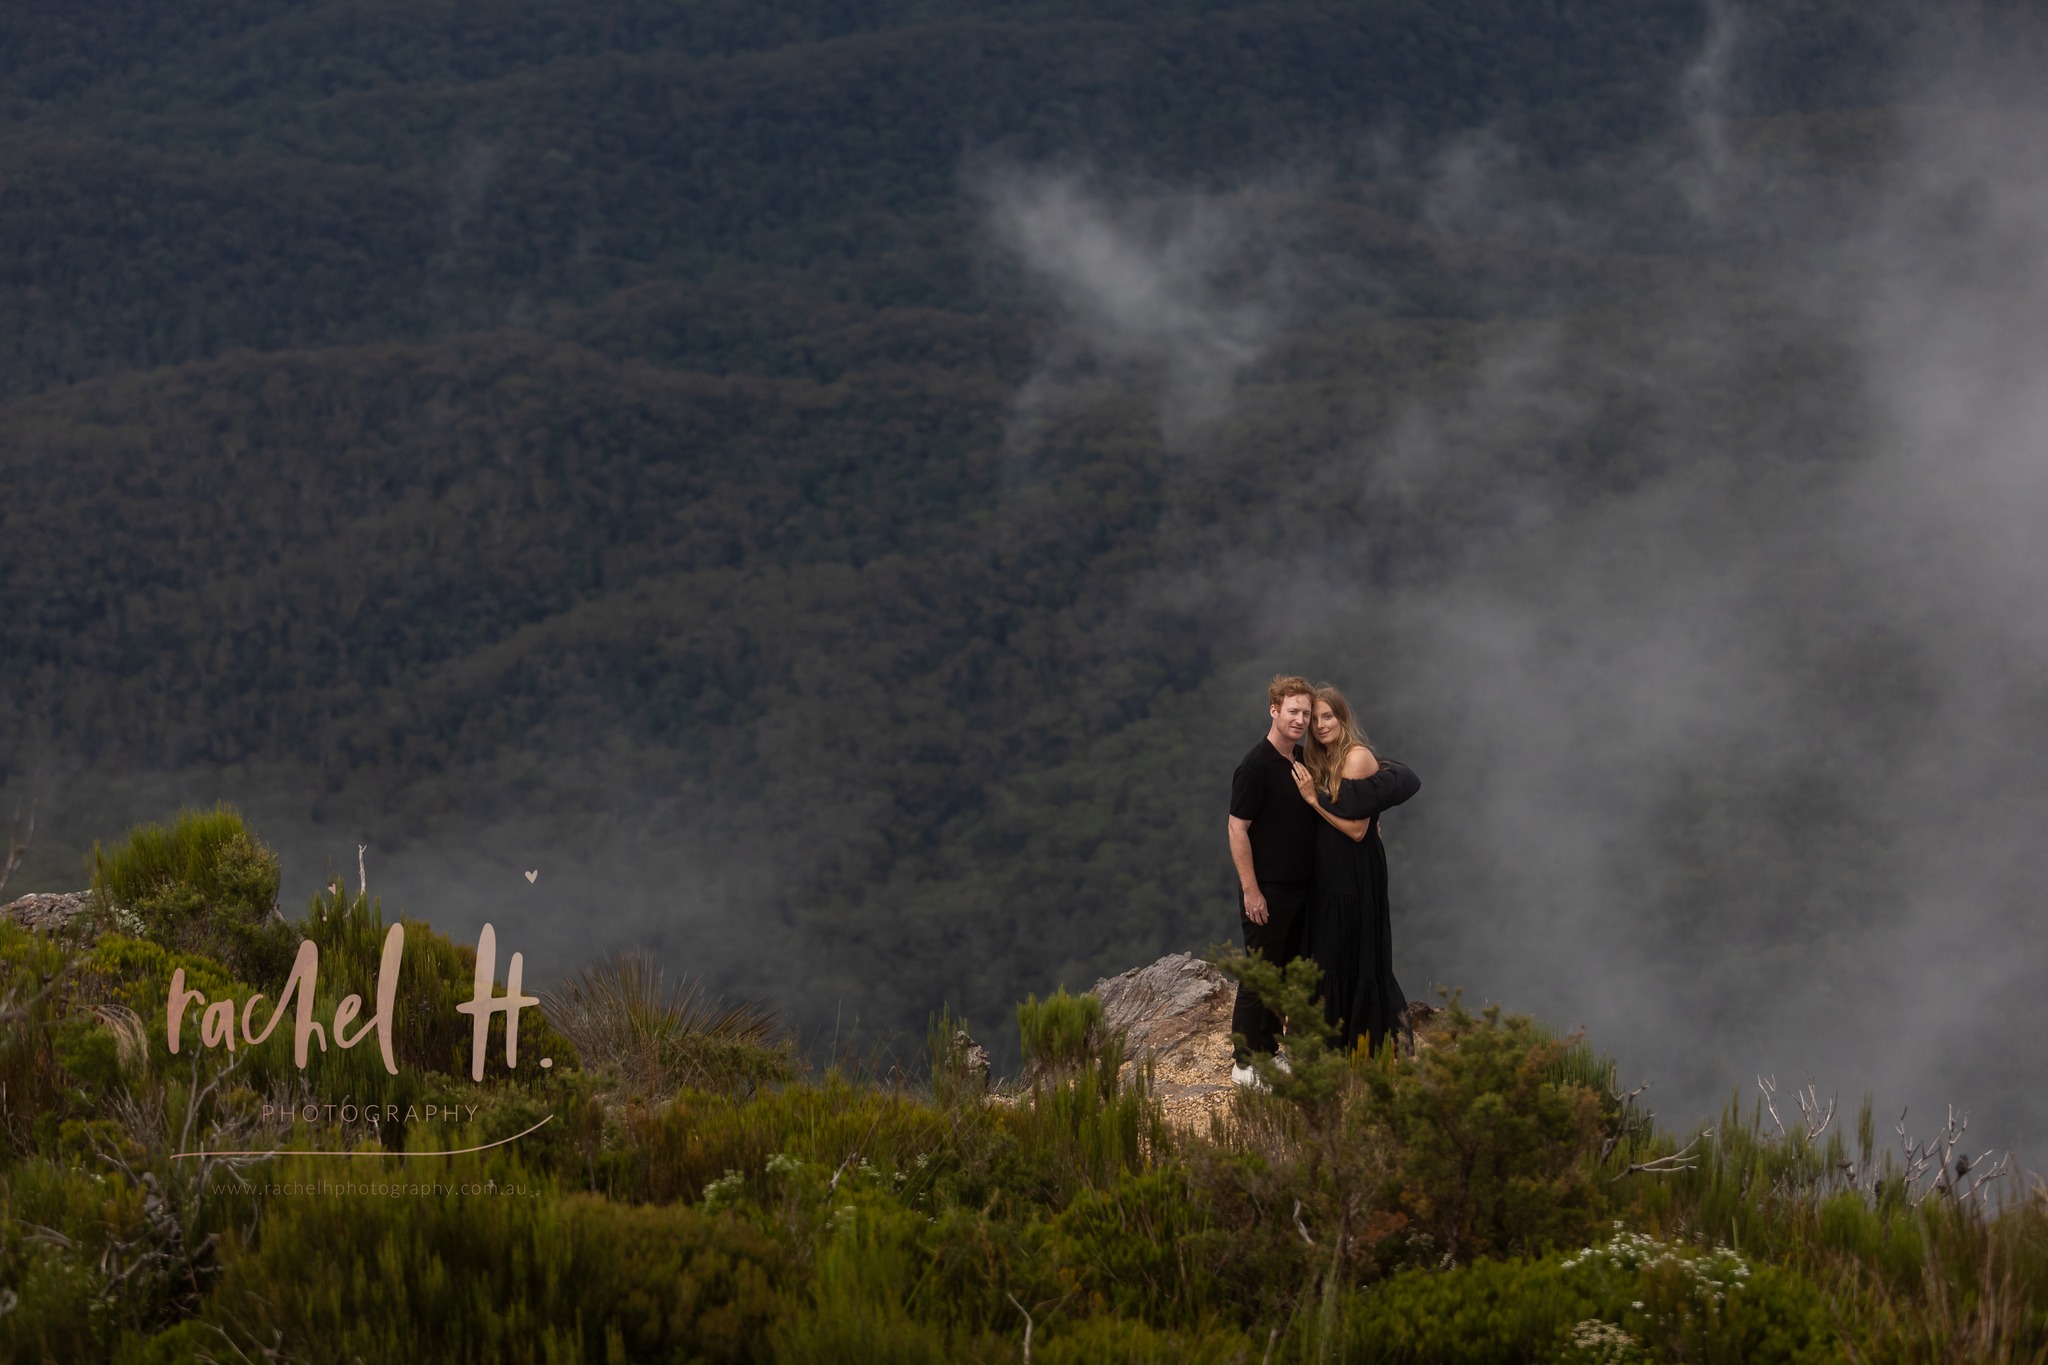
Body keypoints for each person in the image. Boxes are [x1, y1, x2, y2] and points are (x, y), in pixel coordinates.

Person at [1291, 684, 1420, 1056]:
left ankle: (1370, 1045)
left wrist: (1313, 801)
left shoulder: (1356, 758)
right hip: (1330, 871)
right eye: (1314, 719)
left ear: (1342, 718)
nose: (1319, 725)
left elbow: (1358, 828)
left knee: (1353, 952)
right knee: (1330, 952)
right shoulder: (1323, 760)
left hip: (1355, 872)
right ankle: (1332, 1044)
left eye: (1327, 716)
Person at [1226, 675, 1321, 1086]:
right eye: (1293, 711)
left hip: (1302, 888)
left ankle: (1269, 1051)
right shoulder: (1255, 765)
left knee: (1284, 974)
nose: (1300, 719)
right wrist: (1252, 890)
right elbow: (1236, 829)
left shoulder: (1299, 761)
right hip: (1269, 890)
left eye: (1306, 713)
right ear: (1274, 711)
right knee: (1260, 974)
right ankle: (1245, 1063)